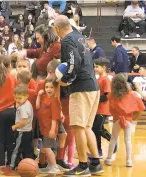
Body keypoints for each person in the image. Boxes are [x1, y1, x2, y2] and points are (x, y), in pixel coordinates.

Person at [54, 15, 103, 176]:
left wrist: (64, 80)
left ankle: (83, 165)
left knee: (78, 127)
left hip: (81, 88)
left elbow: (73, 63)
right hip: (93, 86)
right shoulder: (79, 37)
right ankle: (95, 163)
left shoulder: (67, 40)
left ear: (57, 29)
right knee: (87, 127)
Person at [105, 74, 145, 167]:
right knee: (128, 140)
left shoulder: (112, 95)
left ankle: (109, 158)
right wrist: (134, 117)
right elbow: (141, 107)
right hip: (128, 119)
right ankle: (129, 160)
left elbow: (111, 108)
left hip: (117, 119)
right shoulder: (132, 94)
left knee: (113, 139)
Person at [2, 84, 34, 175]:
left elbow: (23, 122)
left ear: (27, 96)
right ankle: (30, 166)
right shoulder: (27, 103)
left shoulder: (24, 108)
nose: (17, 100)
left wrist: (15, 126)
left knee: (16, 149)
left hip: (22, 131)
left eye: (19, 98)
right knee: (28, 150)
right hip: (28, 131)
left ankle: (12, 167)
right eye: (15, 98)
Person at [36, 76, 61, 174]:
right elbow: (37, 106)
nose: (48, 89)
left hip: (49, 129)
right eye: (46, 87)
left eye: (51, 87)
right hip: (44, 128)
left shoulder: (55, 101)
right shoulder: (45, 98)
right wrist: (38, 95)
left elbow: (55, 118)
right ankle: (48, 165)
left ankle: (54, 167)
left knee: (47, 148)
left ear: (56, 88)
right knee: (44, 148)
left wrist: (52, 130)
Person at [92, 57, 113, 158]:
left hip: (103, 108)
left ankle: (112, 139)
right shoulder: (98, 79)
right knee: (95, 129)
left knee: (97, 128)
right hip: (96, 109)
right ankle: (98, 150)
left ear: (104, 68)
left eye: (97, 67)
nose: (95, 68)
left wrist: (96, 100)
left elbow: (108, 95)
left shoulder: (105, 79)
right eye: (94, 67)